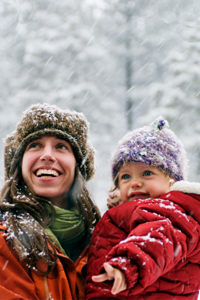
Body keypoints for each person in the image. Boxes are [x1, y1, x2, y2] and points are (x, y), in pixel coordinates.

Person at [86, 116, 200, 300]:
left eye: (147, 173)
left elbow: (157, 238)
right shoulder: (136, 213)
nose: (135, 183)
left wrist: (128, 264)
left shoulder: (172, 213)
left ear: (172, 181)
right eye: (125, 177)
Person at [0, 103, 101, 300]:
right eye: (35, 145)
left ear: (78, 167)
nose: (47, 155)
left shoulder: (107, 240)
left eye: (61, 146)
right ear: (19, 166)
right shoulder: (5, 241)